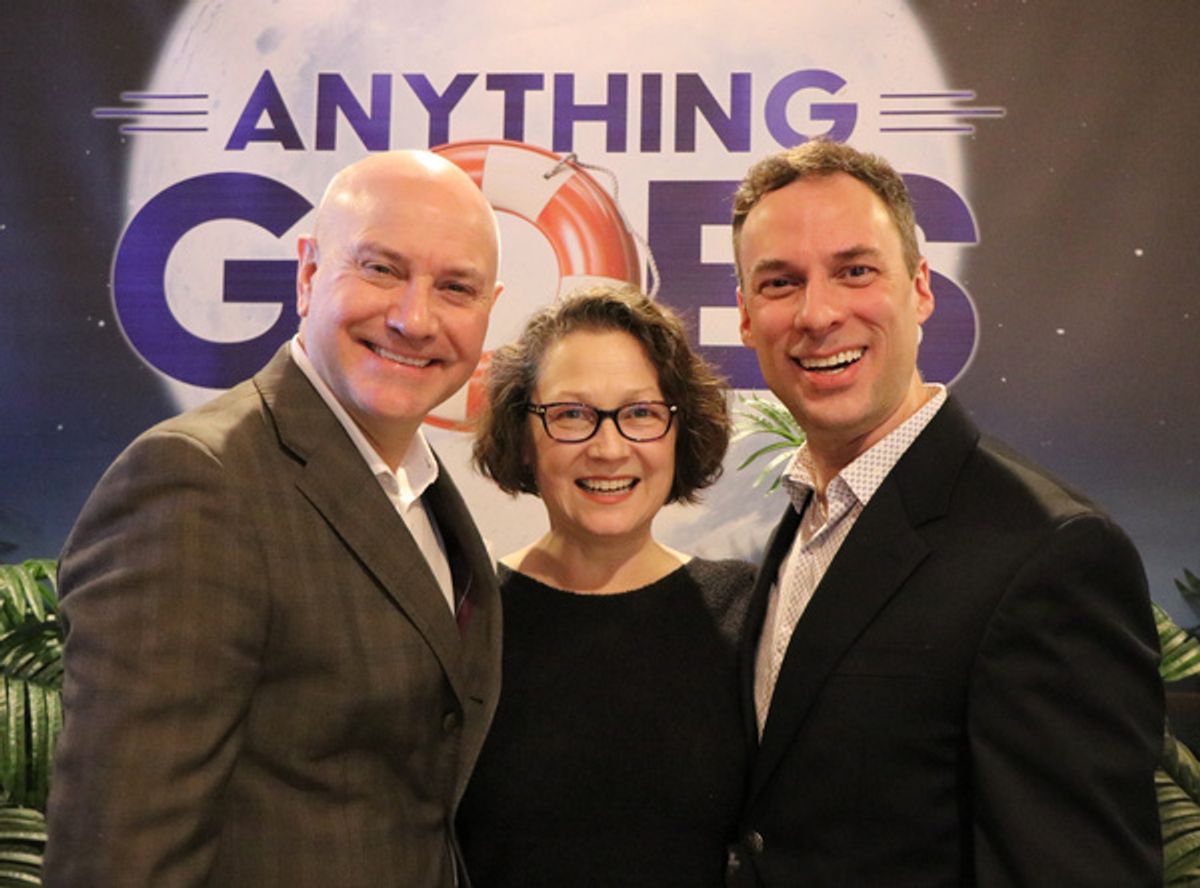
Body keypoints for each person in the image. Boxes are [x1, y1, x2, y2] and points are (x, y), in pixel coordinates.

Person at [44, 150, 504, 886]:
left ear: (489, 307)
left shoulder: (417, 488)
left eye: (455, 287)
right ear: (309, 274)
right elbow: (120, 855)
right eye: (381, 269)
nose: (415, 319)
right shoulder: (199, 482)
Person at [726, 140, 1163, 885]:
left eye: (855, 271)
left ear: (922, 288)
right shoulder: (804, 521)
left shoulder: (1051, 553)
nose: (817, 313)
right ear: (744, 316)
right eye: (780, 282)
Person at [456, 284, 754, 886]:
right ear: (523, 436)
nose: (609, 448)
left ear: (679, 431)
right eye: (572, 414)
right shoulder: (466, 616)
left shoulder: (746, 612)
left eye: (640, 413)